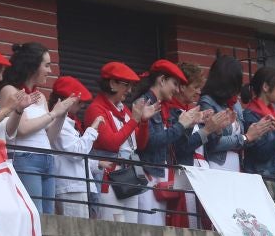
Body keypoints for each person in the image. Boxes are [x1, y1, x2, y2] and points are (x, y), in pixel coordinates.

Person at [0, 42, 76, 214]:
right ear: (32, 66)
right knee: (35, 214)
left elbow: (50, 137)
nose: (50, 71)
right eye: (46, 65)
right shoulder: (10, 90)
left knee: (48, 216)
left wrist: (62, 114)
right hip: (25, 158)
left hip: (47, 158)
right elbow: (22, 129)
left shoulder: (40, 96)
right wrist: (53, 114)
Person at [134, 59, 207, 227]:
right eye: (174, 83)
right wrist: (182, 125)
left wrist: (189, 124)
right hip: (149, 174)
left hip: (159, 173)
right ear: (161, 80)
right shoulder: (145, 103)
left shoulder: (162, 105)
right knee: (151, 229)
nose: (176, 89)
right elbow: (150, 142)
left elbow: (172, 142)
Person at [160, 62, 231, 228]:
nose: (199, 92)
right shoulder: (172, 112)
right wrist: (207, 130)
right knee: (190, 223)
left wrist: (217, 129)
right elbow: (180, 147)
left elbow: (207, 145)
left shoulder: (190, 111)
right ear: (182, 87)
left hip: (201, 170)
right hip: (185, 171)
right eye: (196, 86)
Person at [83, 62, 155, 223]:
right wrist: (135, 120)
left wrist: (142, 122)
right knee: (111, 227)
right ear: (112, 83)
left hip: (128, 176)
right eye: (126, 85)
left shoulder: (124, 110)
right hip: (107, 178)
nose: (130, 91)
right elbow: (111, 143)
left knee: (131, 229)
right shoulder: (96, 109)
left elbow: (141, 145)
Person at [198, 56, 272, 173]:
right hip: (216, 165)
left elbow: (243, 139)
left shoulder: (235, 103)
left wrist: (258, 131)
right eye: (237, 80)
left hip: (236, 164)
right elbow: (212, 143)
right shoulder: (207, 102)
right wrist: (246, 137)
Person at [242, 66, 275, 220]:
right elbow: (260, 153)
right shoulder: (251, 115)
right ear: (265, 87)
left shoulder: (273, 113)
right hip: (262, 182)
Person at [48, 76, 104, 218]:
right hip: (70, 187)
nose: (82, 106)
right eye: (79, 102)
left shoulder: (68, 123)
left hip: (76, 186)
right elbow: (77, 152)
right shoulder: (59, 123)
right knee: (76, 232)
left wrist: (97, 164)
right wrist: (92, 129)